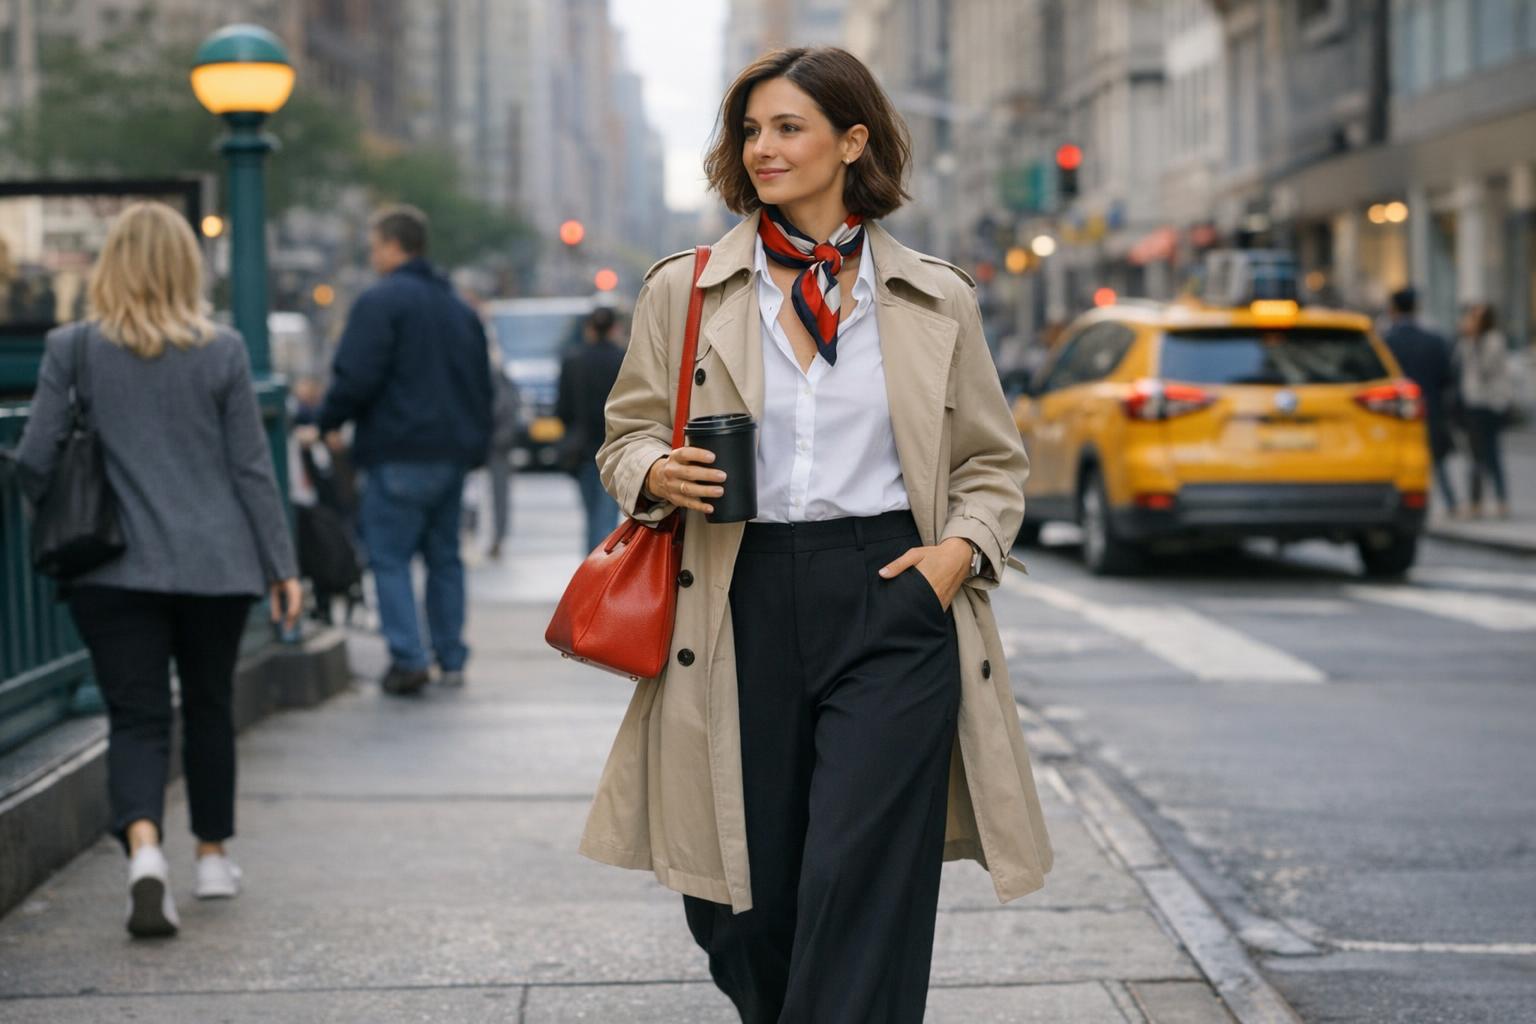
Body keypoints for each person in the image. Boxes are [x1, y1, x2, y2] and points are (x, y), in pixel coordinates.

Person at [579, 47, 1051, 1022]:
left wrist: (955, 557)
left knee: (859, 877)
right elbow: (625, 433)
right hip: (732, 596)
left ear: (853, 140)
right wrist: (653, 473)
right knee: (736, 902)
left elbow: (992, 463)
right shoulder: (687, 288)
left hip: (889, 592)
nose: (762, 148)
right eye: (750, 129)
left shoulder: (933, 298)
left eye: (788, 127)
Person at [14, 202, 302, 938]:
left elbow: (38, 462)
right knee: (208, 706)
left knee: (135, 717)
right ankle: (211, 856)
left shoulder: (71, 349)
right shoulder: (224, 351)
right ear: (185, 268)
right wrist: (282, 566)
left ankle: (144, 850)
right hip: (216, 565)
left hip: (111, 572)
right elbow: (250, 471)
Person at [317, 205, 493, 695]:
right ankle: (451, 655)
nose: (372, 255)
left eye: (374, 245)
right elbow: (482, 387)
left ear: (394, 246)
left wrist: (327, 420)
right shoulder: (459, 308)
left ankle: (408, 657)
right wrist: (472, 449)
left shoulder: (380, 302)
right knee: (445, 559)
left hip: (398, 451)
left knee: (389, 558)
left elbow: (356, 375)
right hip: (452, 455)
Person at [1383, 287, 1458, 513]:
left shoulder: (1386, 341)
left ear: (1393, 309)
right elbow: (1448, 378)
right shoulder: (1435, 340)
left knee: (1399, 461)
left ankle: (1399, 504)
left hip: (1396, 413)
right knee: (1438, 462)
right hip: (1431, 409)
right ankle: (1451, 504)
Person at [556, 306, 625, 552]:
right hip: (617, 449)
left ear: (589, 329)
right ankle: (601, 578)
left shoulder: (573, 361)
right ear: (615, 328)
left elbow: (562, 409)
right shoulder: (624, 360)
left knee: (591, 517)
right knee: (606, 519)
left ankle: (592, 574)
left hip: (583, 450)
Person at [1456, 302, 1513, 519]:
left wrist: (1472, 341)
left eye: (1477, 318)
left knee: (1491, 453)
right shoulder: (1467, 341)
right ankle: (1476, 502)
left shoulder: (1493, 341)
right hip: (1473, 404)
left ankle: (1501, 500)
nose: (1472, 321)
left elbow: (1484, 369)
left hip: (1490, 404)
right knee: (1475, 455)